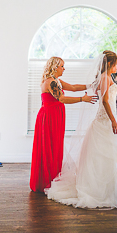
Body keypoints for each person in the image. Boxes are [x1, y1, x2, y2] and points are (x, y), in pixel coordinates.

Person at [45, 52, 117, 209]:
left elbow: (84, 90)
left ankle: (114, 188)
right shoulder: (106, 78)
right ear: (109, 65)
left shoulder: (105, 78)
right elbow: (106, 102)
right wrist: (113, 120)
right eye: (116, 64)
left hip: (107, 119)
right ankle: (105, 191)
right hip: (106, 120)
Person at [30, 57, 94, 192]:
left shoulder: (56, 81)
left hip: (55, 116)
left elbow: (73, 87)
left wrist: (91, 85)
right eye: (62, 66)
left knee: (55, 146)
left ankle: (52, 177)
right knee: (49, 147)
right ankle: (45, 181)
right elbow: (62, 98)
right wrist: (83, 99)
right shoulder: (50, 82)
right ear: (55, 67)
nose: (64, 68)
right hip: (49, 118)